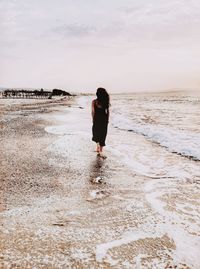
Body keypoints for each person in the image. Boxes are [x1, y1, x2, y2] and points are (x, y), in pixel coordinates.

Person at [92, 88, 110, 158]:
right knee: (103, 134)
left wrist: (93, 119)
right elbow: (108, 112)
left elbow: (93, 112)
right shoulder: (105, 101)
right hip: (104, 119)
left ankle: (98, 146)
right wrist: (107, 120)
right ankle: (101, 150)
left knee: (96, 132)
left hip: (97, 119)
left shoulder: (94, 102)